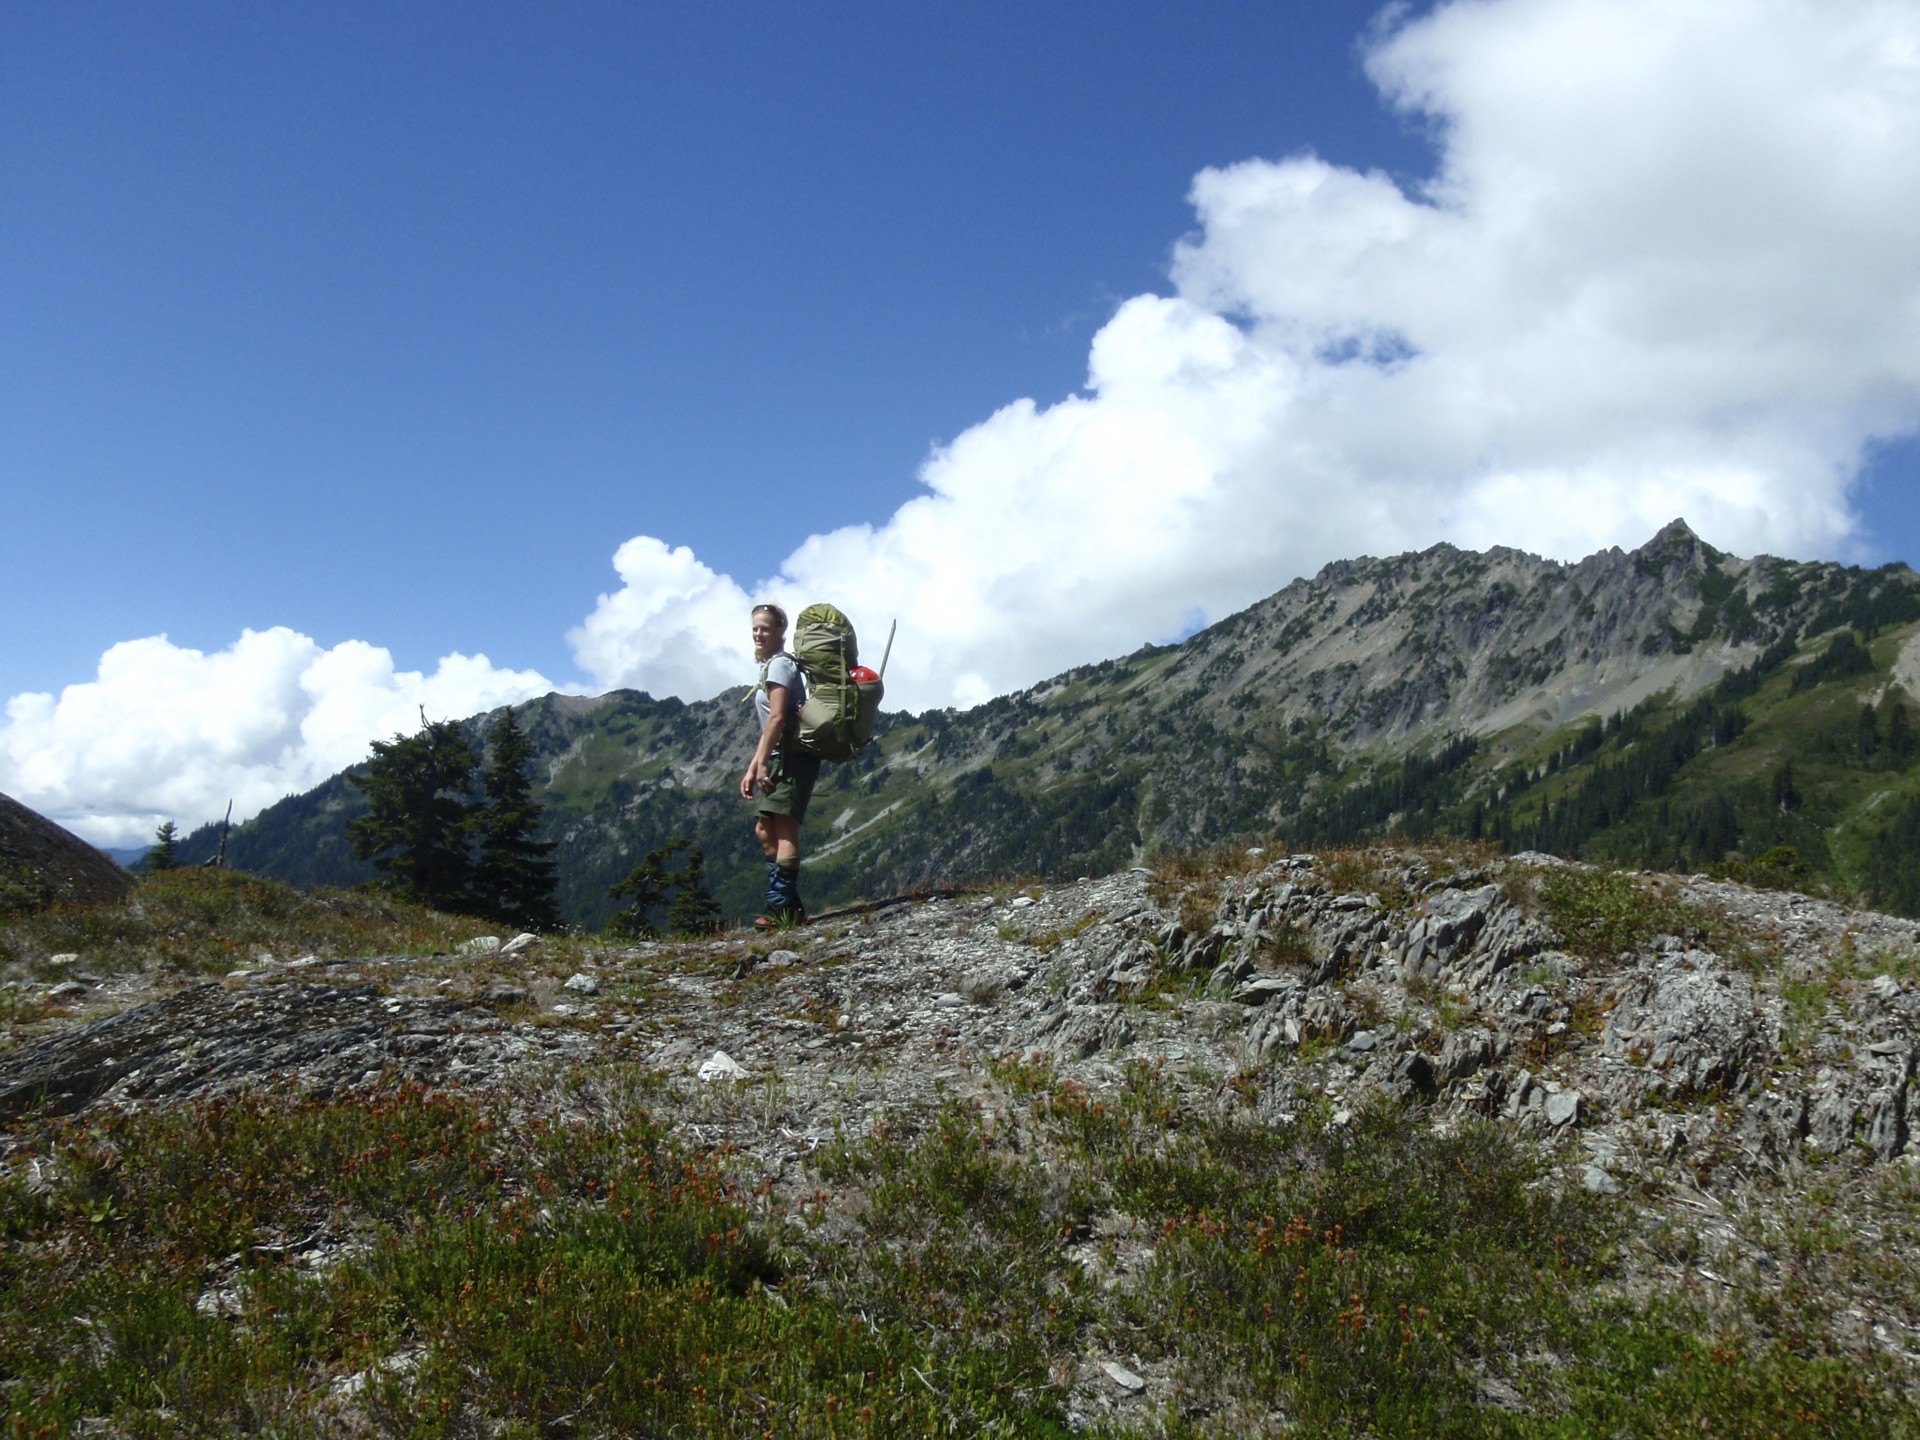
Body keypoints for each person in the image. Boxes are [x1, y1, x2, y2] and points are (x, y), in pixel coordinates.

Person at [740, 603, 820, 928]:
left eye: (766, 629)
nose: (759, 634)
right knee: (765, 830)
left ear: (780, 632)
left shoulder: (780, 667)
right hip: (779, 757)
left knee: (785, 828)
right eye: (756, 628)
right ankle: (792, 908)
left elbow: (776, 717)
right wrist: (753, 766)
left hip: (792, 758)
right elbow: (768, 727)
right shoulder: (773, 666)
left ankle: (779, 910)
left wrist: (761, 766)